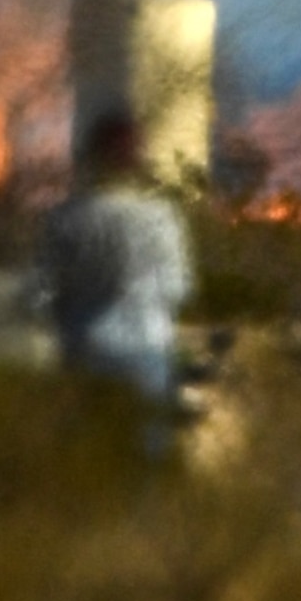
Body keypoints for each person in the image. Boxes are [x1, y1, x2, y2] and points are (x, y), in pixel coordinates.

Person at [34, 110, 195, 409]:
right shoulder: (161, 218)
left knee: (90, 448)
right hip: (147, 349)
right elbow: (178, 288)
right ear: (138, 161)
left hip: (84, 347)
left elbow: (40, 294)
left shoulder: (65, 218)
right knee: (148, 446)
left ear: (92, 158)